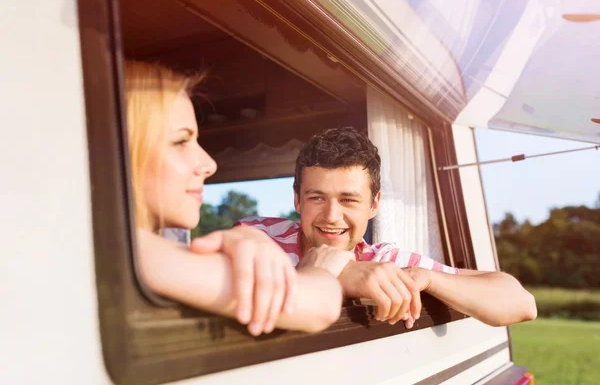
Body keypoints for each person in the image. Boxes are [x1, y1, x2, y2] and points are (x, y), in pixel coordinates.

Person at [195, 127, 537, 328]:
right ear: (297, 200)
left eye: (348, 200)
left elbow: (521, 303)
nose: (331, 216)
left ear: (374, 205)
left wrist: (429, 278)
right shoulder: (260, 237)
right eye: (317, 198)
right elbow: (225, 266)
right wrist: (337, 277)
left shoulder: (386, 260)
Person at [125, 60, 347, 336]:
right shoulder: (117, 248)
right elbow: (320, 306)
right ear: (123, 152)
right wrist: (320, 268)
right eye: (181, 142)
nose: (209, 164)